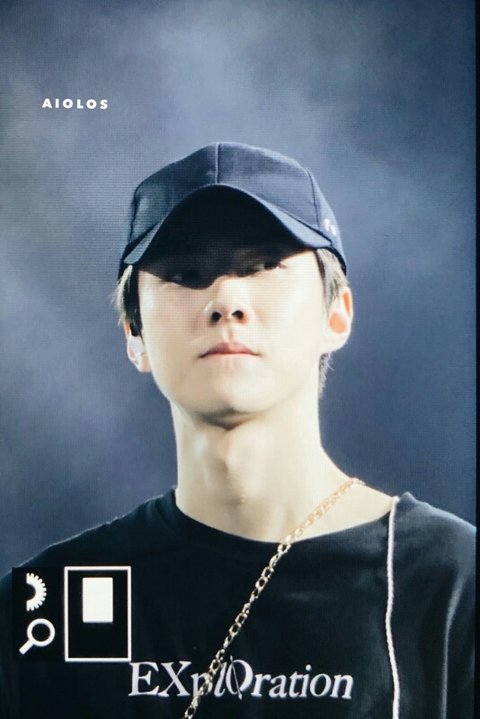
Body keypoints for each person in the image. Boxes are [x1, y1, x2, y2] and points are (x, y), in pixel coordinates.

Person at [0, 142, 474, 719]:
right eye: (185, 274)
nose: (226, 300)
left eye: (264, 265)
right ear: (134, 336)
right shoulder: (52, 601)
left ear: (337, 314)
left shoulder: (448, 583)